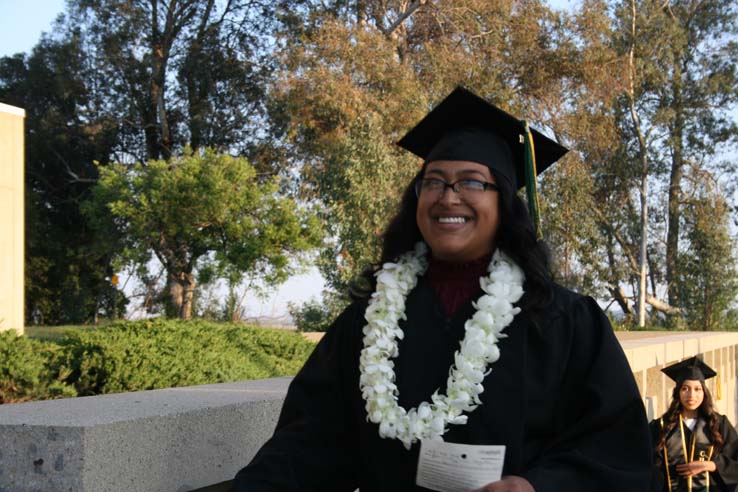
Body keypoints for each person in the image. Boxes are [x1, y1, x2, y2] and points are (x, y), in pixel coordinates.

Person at [233, 87, 652, 491]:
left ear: (503, 202)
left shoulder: (564, 321)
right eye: (433, 182)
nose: (447, 198)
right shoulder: (368, 324)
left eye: (471, 182)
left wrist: (537, 486)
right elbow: (310, 442)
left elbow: (615, 449)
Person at [650, 357, 738, 492]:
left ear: (704, 393)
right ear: (677, 392)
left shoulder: (719, 425)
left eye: (697, 389)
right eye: (685, 389)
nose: (691, 395)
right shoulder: (661, 426)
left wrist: (712, 465)